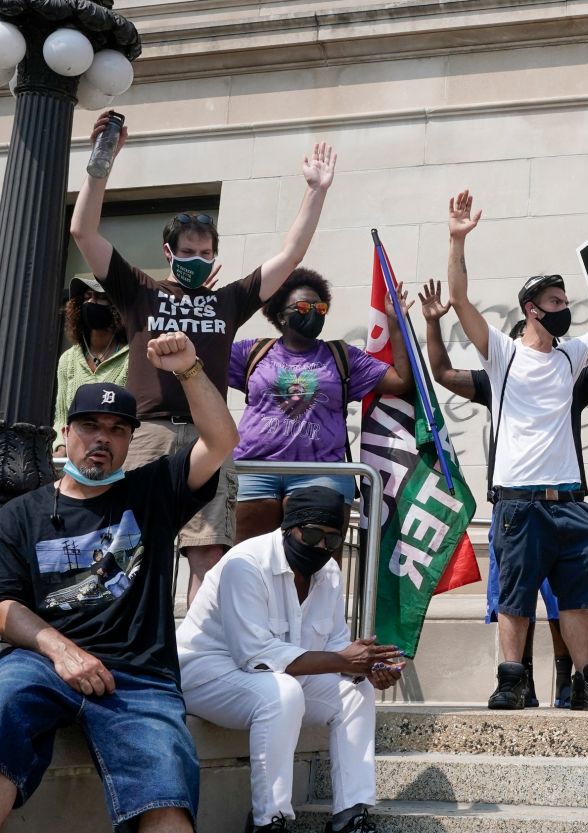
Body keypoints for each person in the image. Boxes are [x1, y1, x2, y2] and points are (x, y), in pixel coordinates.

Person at [70, 111, 337, 604]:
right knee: (130, 551)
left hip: (209, 437)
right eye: (188, 252)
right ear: (169, 253)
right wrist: (101, 162)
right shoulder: (139, 291)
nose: (198, 260)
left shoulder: (228, 300)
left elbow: (291, 255)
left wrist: (316, 191)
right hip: (147, 431)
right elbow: (84, 232)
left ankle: (195, 663)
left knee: (208, 554)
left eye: (206, 252)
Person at [0, 333, 235, 832]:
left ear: (131, 440)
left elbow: (220, 442)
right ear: (66, 432)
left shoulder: (153, 491)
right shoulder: (21, 514)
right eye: (90, 426)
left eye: (117, 429)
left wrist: (190, 369)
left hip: (139, 680)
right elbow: (3, 604)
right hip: (41, 663)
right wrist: (61, 651)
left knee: (167, 791)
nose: (102, 438)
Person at [442, 190, 588, 711]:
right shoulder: (503, 354)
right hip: (519, 504)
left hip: (570, 501)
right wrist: (457, 241)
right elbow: (459, 301)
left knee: (578, 599)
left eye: (567, 304)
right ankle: (512, 680)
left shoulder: (571, 355)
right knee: (514, 600)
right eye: (555, 304)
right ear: (531, 309)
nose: (564, 311)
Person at [177, 487, 401, 833]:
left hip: (272, 680)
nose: (320, 548)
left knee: (356, 693)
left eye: (331, 540)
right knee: (282, 692)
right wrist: (342, 659)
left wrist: (366, 668)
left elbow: (335, 645)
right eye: (312, 535)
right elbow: (255, 656)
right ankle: (270, 821)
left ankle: (349, 817)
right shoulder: (245, 563)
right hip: (208, 675)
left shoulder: (328, 573)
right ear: (289, 527)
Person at [230, 268, 413, 541]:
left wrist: (395, 322)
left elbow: (401, 380)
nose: (313, 312)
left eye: (320, 307)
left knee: (313, 565)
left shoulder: (342, 356)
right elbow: (200, 361)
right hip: (255, 471)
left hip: (320, 473)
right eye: (303, 307)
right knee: (248, 564)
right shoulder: (253, 352)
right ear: (281, 315)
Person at [53, 276, 129, 456]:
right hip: (75, 456)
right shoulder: (68, 359)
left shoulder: (132, 356)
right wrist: (60, 448)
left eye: (101, 297)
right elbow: (62, 416)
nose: (92, 302)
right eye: (87, 296)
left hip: (116, 453)